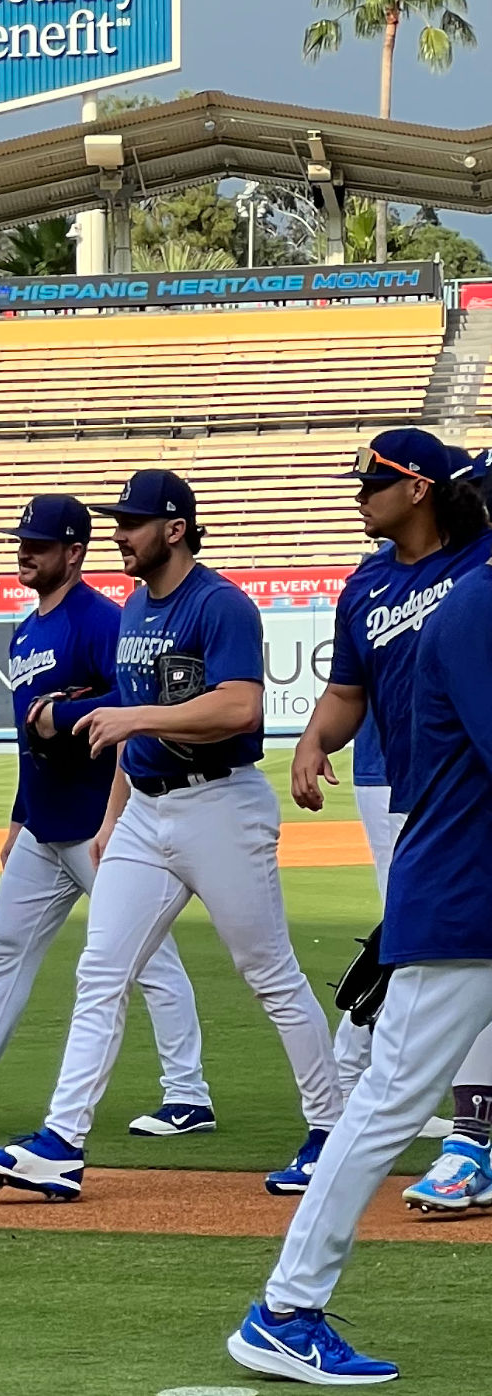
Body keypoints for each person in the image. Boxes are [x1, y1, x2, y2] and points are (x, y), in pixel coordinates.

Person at [0, 470, 341, 1200]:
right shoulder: (137, 605)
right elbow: (131, 738)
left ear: (174, 529)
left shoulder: (219, 604)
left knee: (267, 973)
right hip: (144, 811)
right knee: (100, 972)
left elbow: (238, 709)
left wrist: (136, 720)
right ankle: (61, 1145)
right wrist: (112, 820)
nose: (119, 535)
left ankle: (331, 1131)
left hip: (220, 808)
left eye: (132, 523)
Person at [228, 548, 492, 1384]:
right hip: (464, 902)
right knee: (386, 1106)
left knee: (385, 1103)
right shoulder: (477, 607)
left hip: (465, 892)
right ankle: (284, 1310)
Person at [0, 496, 213, 1137]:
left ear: (74, 552)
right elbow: (30, 735)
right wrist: (17, 817)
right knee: (5, 946)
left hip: (97, 822)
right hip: (44, 822)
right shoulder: (27, 627)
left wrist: (70, 716)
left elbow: (141, 698)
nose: (23, 550)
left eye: (38, 542)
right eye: (21, 540)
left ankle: (189, 1095)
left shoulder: (98, 621)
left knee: (147, 959)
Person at [293, 433, 492, 1210]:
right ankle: (472, 1137)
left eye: (374, 481)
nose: (359, 494)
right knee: (452, 965)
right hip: (414, 798)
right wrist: (313, 738)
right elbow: (348, 691)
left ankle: (469, 1136)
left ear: (418, 489)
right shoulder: (365, 586)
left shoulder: (478, 568)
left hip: (472, 795)